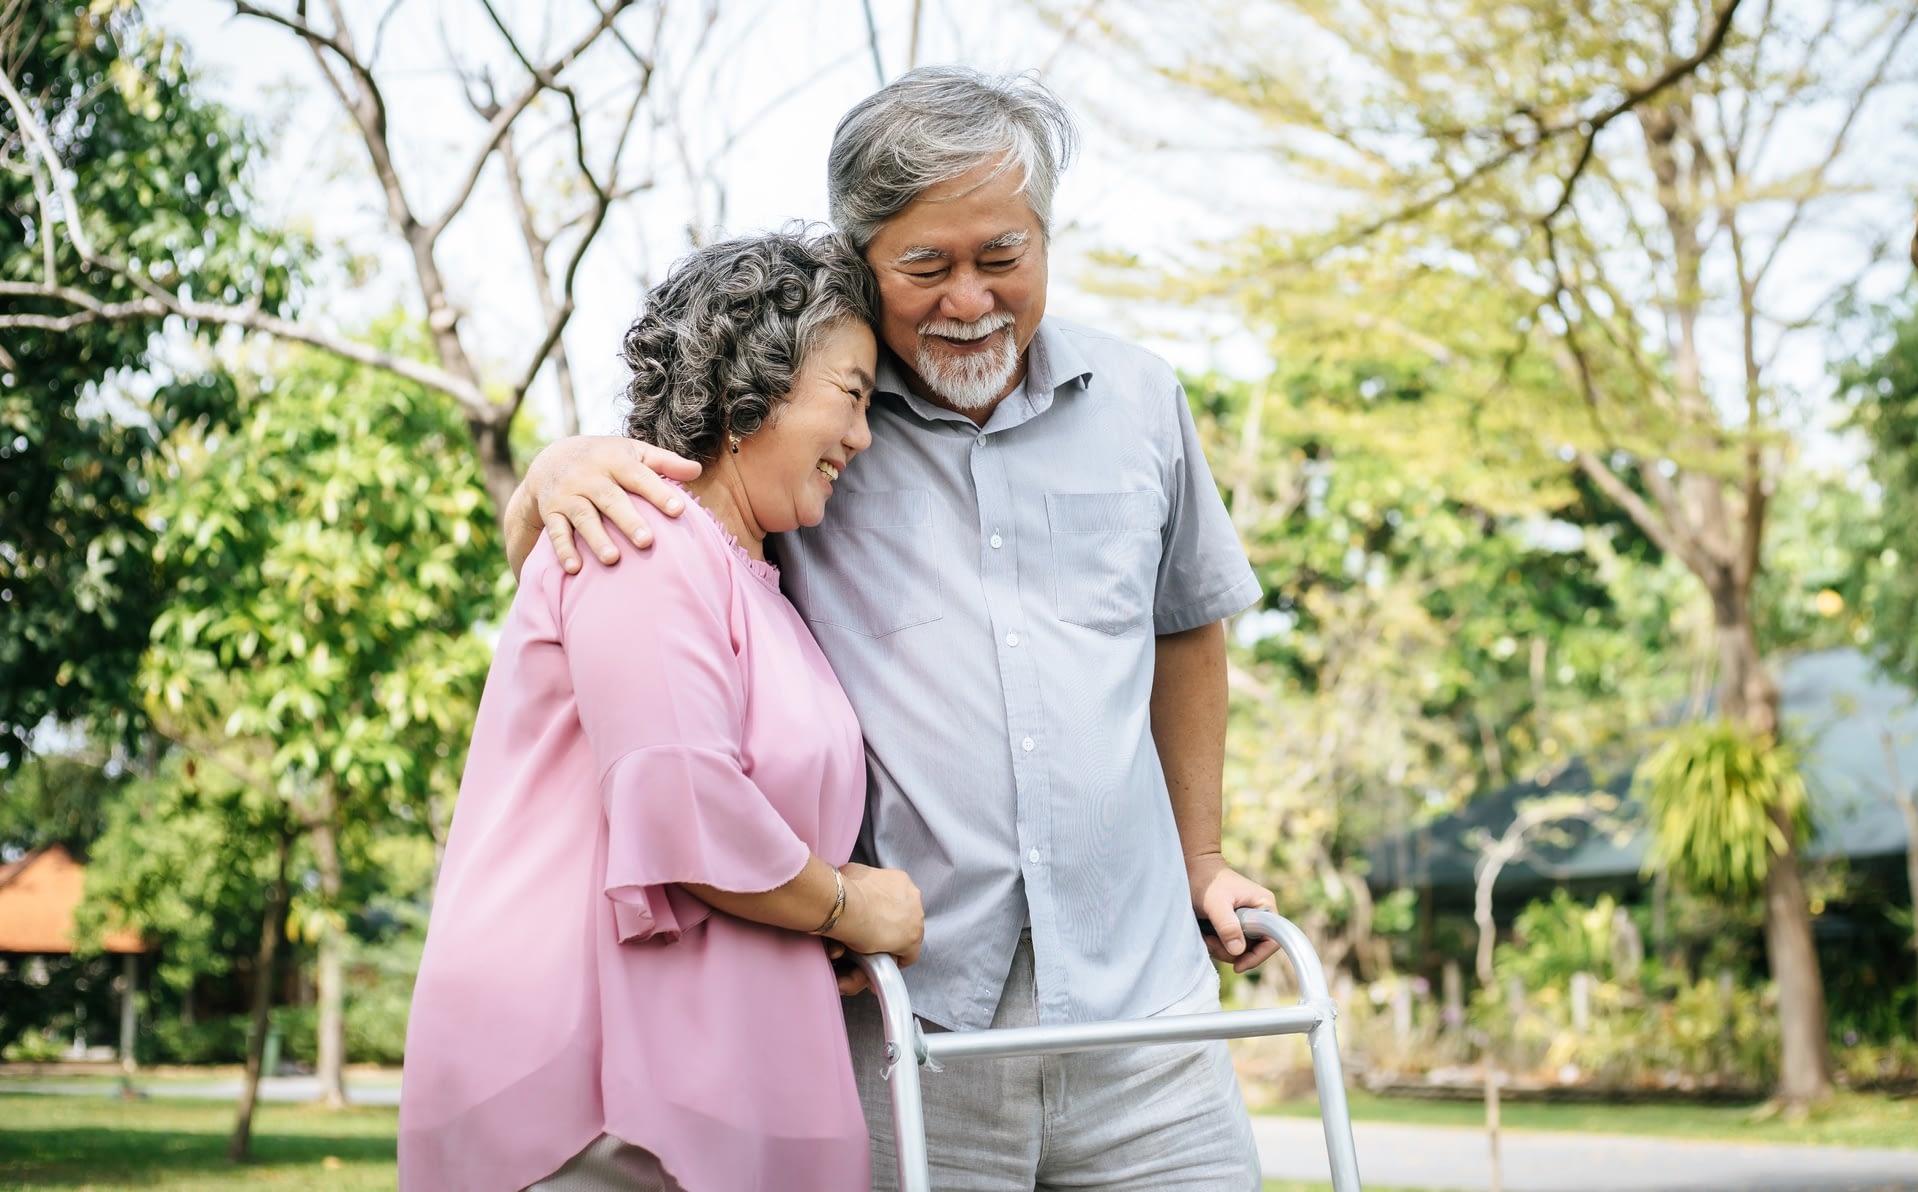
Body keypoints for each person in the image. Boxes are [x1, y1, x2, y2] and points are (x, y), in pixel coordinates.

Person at [507, 68, 1275, 1190]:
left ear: (1045, 238)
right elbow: (640, 547)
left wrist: (1202, 857)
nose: (971, 301)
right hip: (907, 1022)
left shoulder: (1144, 400)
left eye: (1002, 257)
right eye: (927, 267)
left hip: (1147, 1021)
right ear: (863, 262)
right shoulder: (814, 426)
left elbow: (1186, 625)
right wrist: (551, 469)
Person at [400, 228, 924, 1192]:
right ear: (752, 388)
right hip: (599, 1114)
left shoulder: (757, 580)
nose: (862, 435)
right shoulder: (641, 534)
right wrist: (851, 907)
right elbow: (684, 800)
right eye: (850, 397)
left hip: (721, 1089)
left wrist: (812, 920)